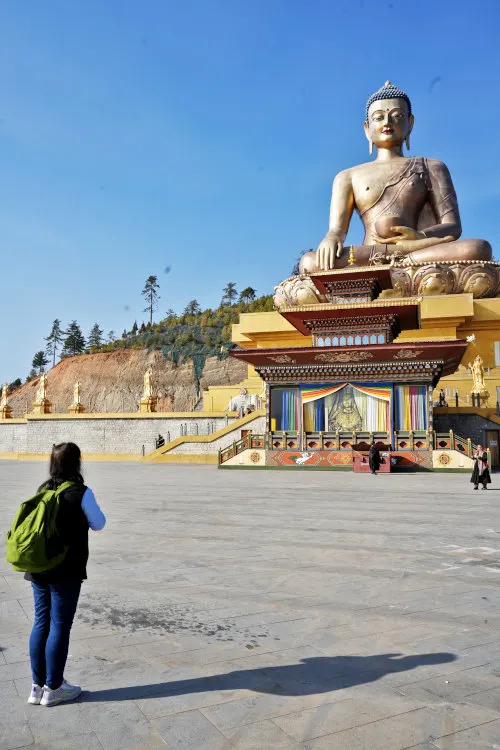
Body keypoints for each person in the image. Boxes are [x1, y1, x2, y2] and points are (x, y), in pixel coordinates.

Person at [26, 442, 106, 707]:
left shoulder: (44, 488)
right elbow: (99, 523)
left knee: (41, 622)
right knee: (60, 625)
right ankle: (55, 687)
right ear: (76, 463)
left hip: (38, 567)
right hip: (66, 570)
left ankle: (37, 687)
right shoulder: (81, 492)